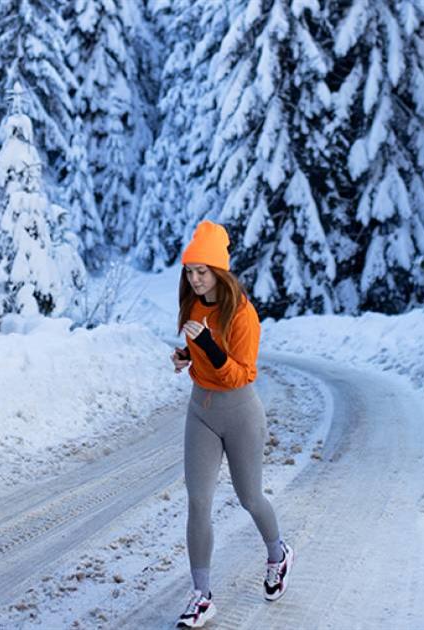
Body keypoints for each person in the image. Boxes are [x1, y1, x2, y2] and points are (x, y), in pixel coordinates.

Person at [170, 220, 293, 629]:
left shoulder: (242, 313)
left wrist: (205, 344)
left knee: (249, 498)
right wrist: (187, 356)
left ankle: (278, 554)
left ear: (220, 270)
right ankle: (201, 595)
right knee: (198, 501)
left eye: (202, 271)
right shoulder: (192, 303)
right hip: (200, 411)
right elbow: (199, 352)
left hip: (239, 412)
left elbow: (241, 373)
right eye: (190, 271)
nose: (195, 278)